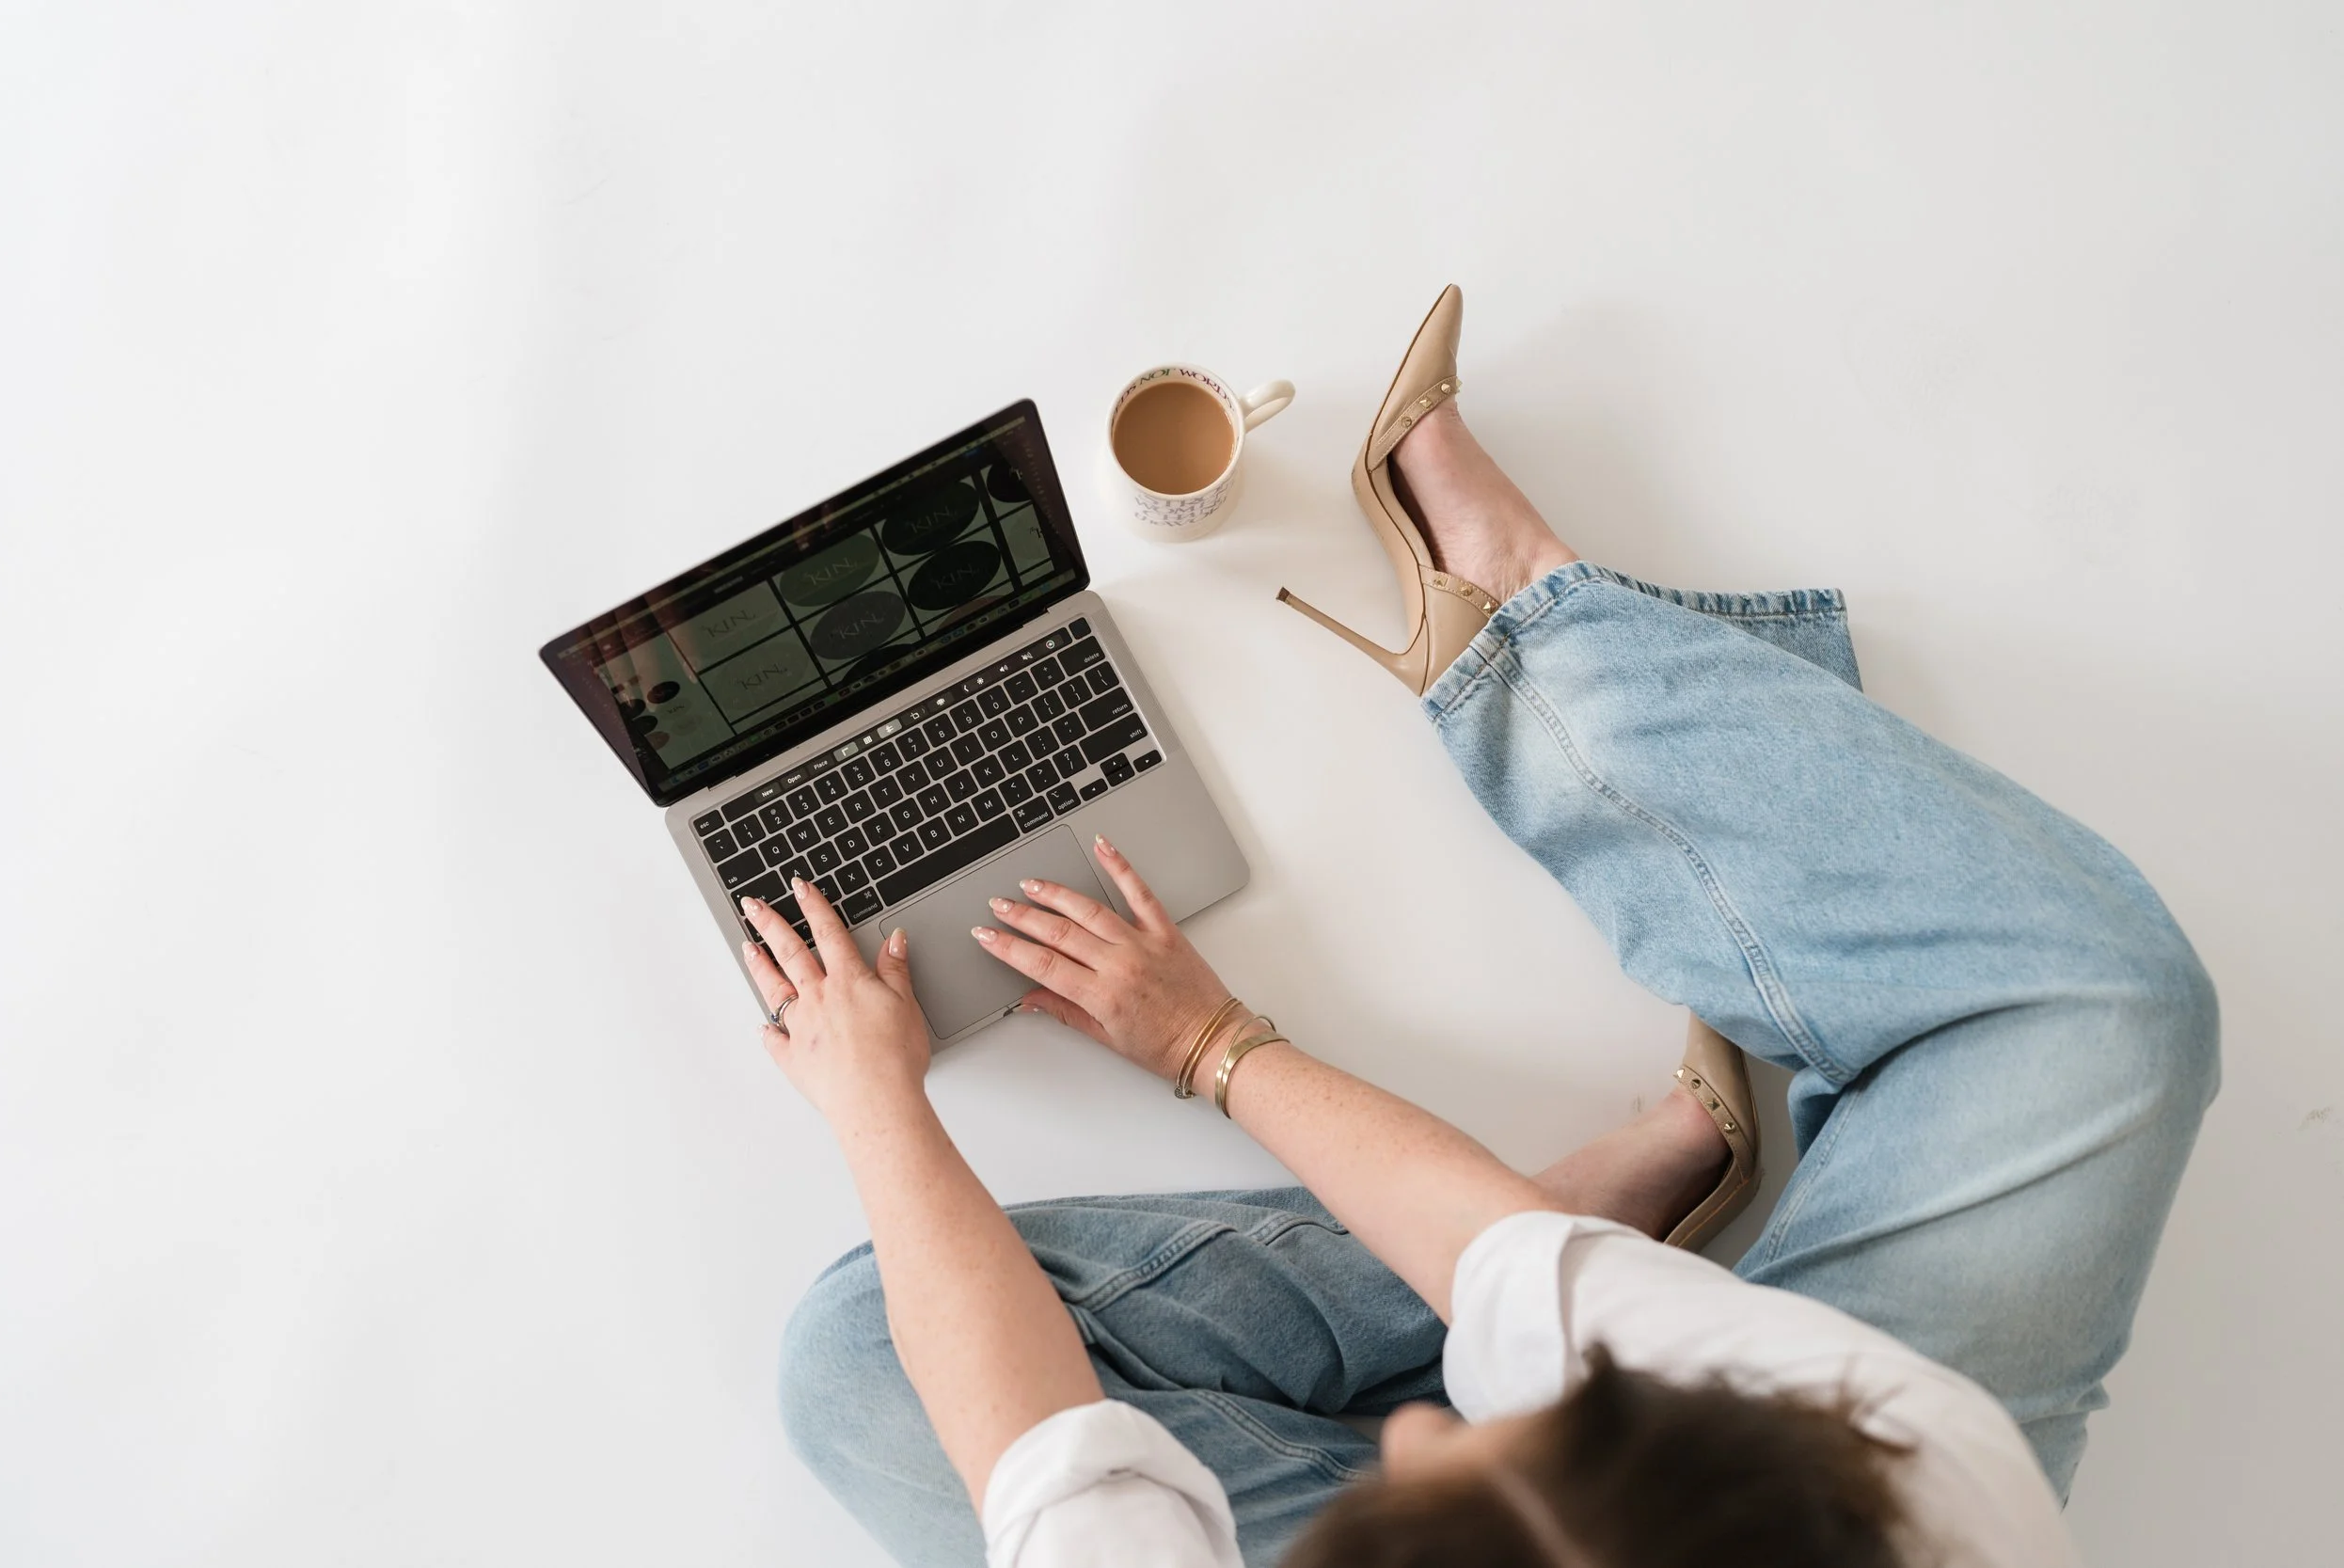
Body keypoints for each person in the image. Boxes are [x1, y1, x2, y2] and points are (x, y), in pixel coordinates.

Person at [742, 288, 2217, 1567]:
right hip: (1802, 1447)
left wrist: (876, 1104)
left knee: (855, 1359)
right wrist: (1207, 1041)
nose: (1420, 1434)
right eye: (1519, 1426)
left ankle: (1597, 1198)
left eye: (1445, 1466)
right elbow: (1514, 1274)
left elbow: (1038, 1443)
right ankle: (1534, 622)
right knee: (2111, 1009)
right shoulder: (1917, 1478)